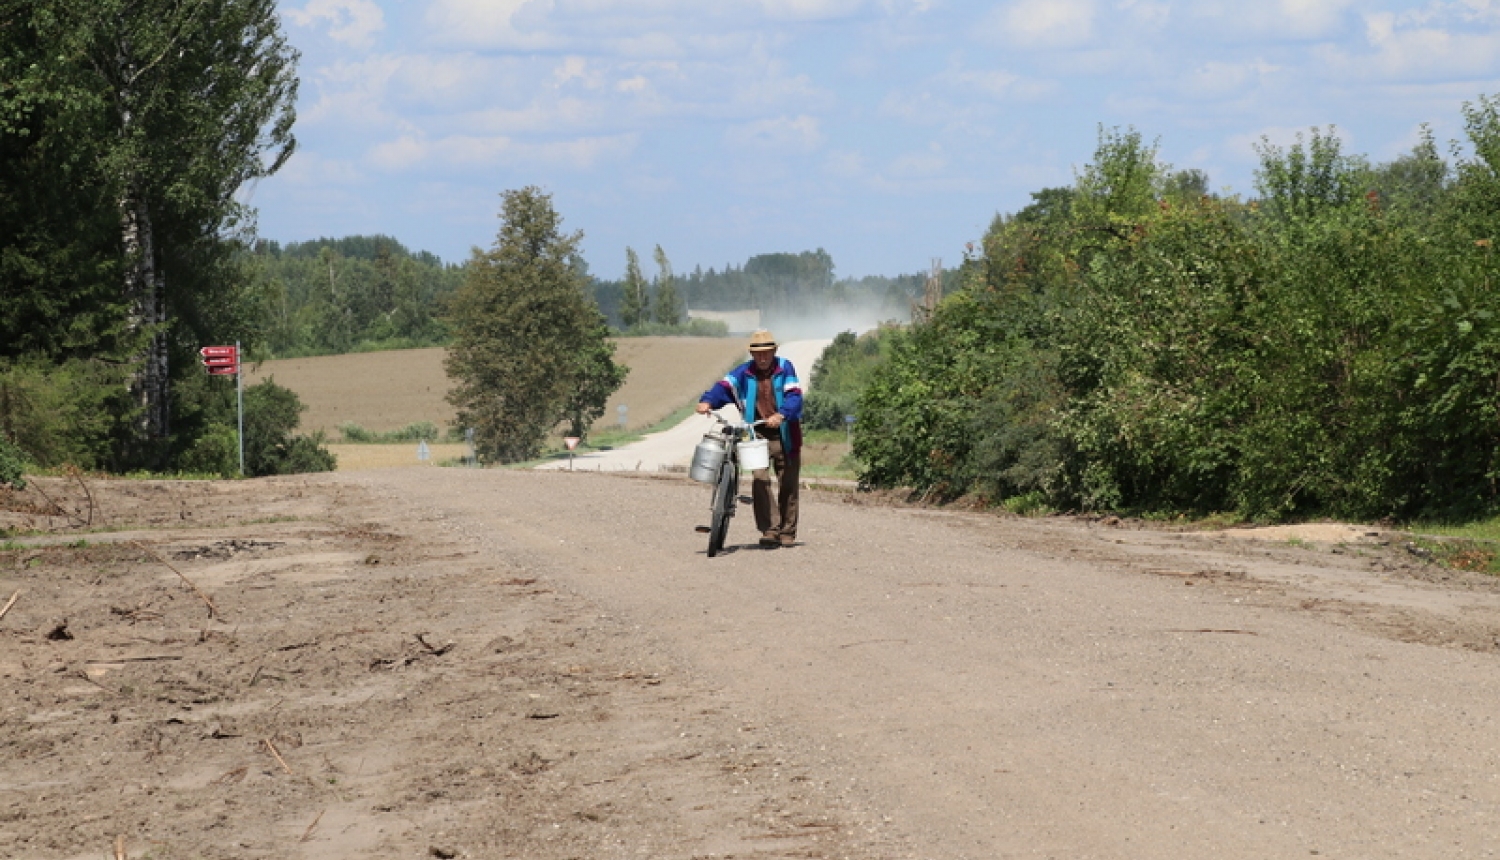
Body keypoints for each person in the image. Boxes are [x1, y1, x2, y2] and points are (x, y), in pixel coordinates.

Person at [695, 329, 803, 548]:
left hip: (785, 433)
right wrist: (707, 401)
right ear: (751, 354)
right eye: (758, 353)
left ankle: (787, 531)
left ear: (774, 351)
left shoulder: (785, 368)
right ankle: (770, 529)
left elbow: (795, 396)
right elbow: (723, 387)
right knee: (760, 478)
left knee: (788, 483)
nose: (762, 358)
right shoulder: (743, 373)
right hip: (757, 432)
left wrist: (781, 414)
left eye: (766, 352)